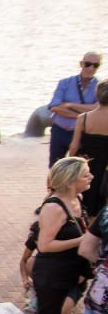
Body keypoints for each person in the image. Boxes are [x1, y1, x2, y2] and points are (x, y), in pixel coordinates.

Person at [14, 158, 92, 314]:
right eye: (86, 174)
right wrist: (82, 240)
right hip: (51, 273)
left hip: (71, 271)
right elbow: (45, 245)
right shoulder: (53, 207)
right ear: (70, 181)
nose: (91, 177)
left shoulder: (77, 199)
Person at [47, 51, 101, 167]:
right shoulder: (65, 83)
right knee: (55, 167)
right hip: (60, 131)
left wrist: (69, 105)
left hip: (82, 134)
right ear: (81, 64)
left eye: (95, 65)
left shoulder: (99, 86)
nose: (91, 68)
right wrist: (82, 115)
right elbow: (54, 107)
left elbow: (97, 109)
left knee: (78, 170)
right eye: (88, 64)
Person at [68, 79, 108, 219]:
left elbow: (74, 147)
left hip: (87, 167)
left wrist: (67, 163)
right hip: (105, 169)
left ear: (97, 95)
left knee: (85, 203)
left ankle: (83, 233)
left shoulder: (83, 118)